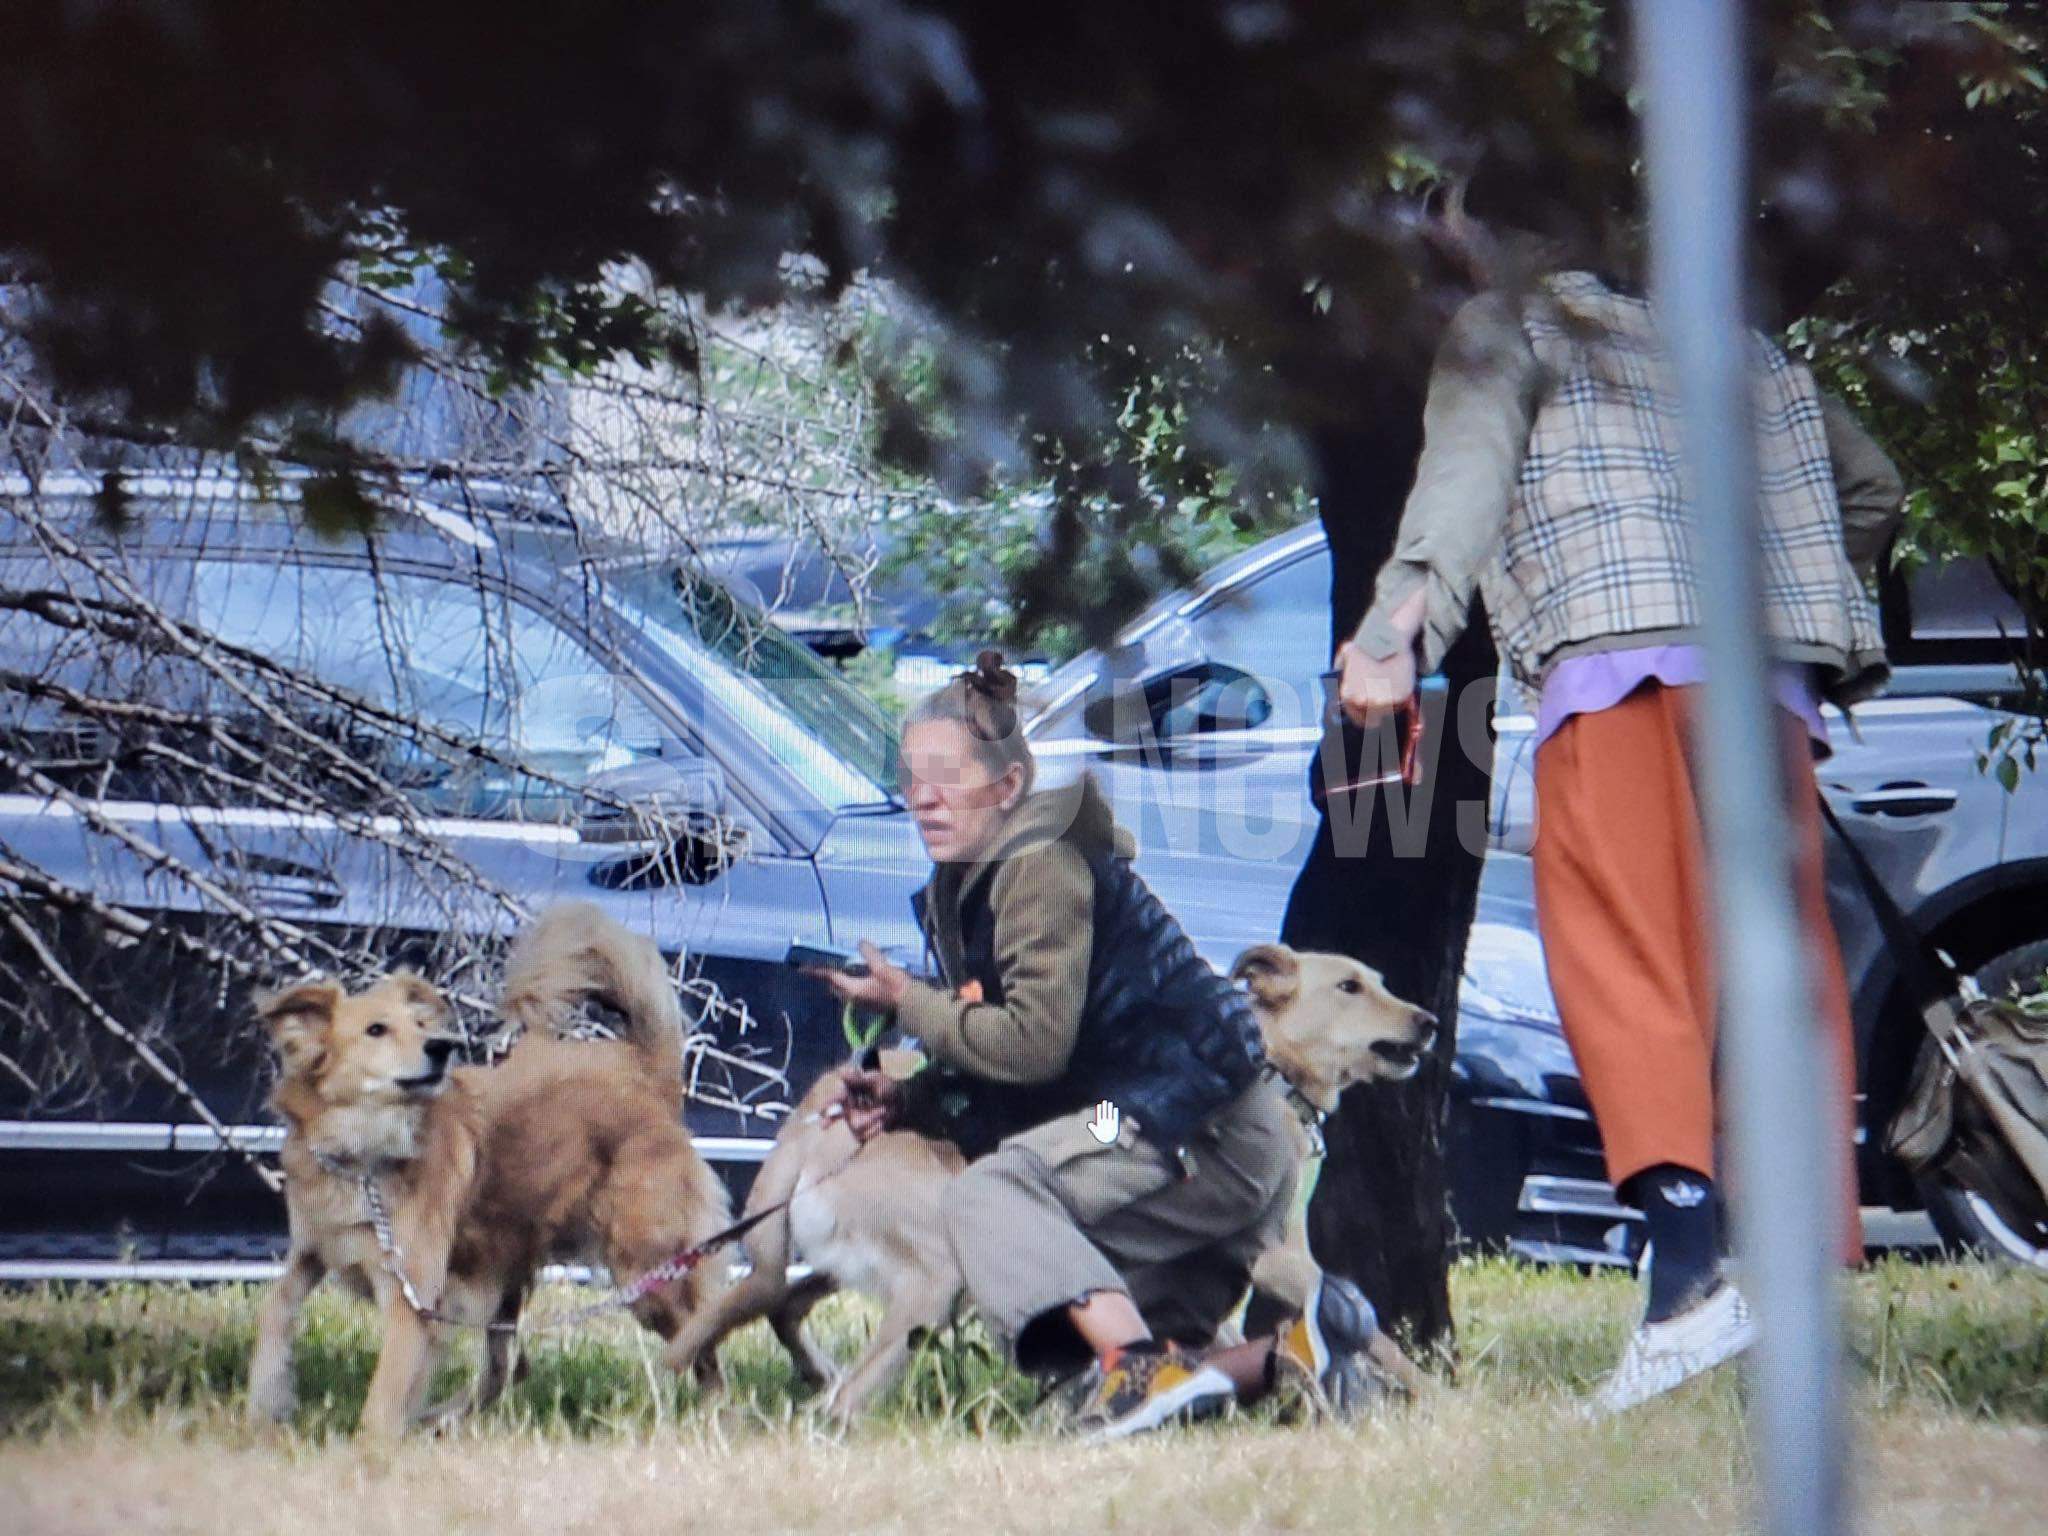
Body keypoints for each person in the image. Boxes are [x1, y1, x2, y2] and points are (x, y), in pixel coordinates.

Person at [1337, 234, 1905, 1414]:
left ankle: (1686, 1285)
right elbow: (1873, 489)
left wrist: (1397, 635)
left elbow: (1462, 485)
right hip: (1767, 684)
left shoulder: (1507, 326)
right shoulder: (1734, 337)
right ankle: (1776, 1287)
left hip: (1619, 671)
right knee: (1766, 978)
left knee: (1623, 956)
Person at [813, 651, 1382, 1439]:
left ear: (1009, 787)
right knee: (1089, 1357)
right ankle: (1302, 1354)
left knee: (992, 1195)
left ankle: (1136, 1373)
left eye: (947, 774)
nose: (922, 796)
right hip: (1170, 1120)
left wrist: (911, 1001)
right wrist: (912, 1100)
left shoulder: (1039, 865)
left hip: (1170, 1124)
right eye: (911, 776)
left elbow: (1034, 1046)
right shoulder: (973, 882)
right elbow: (1024, 1070)